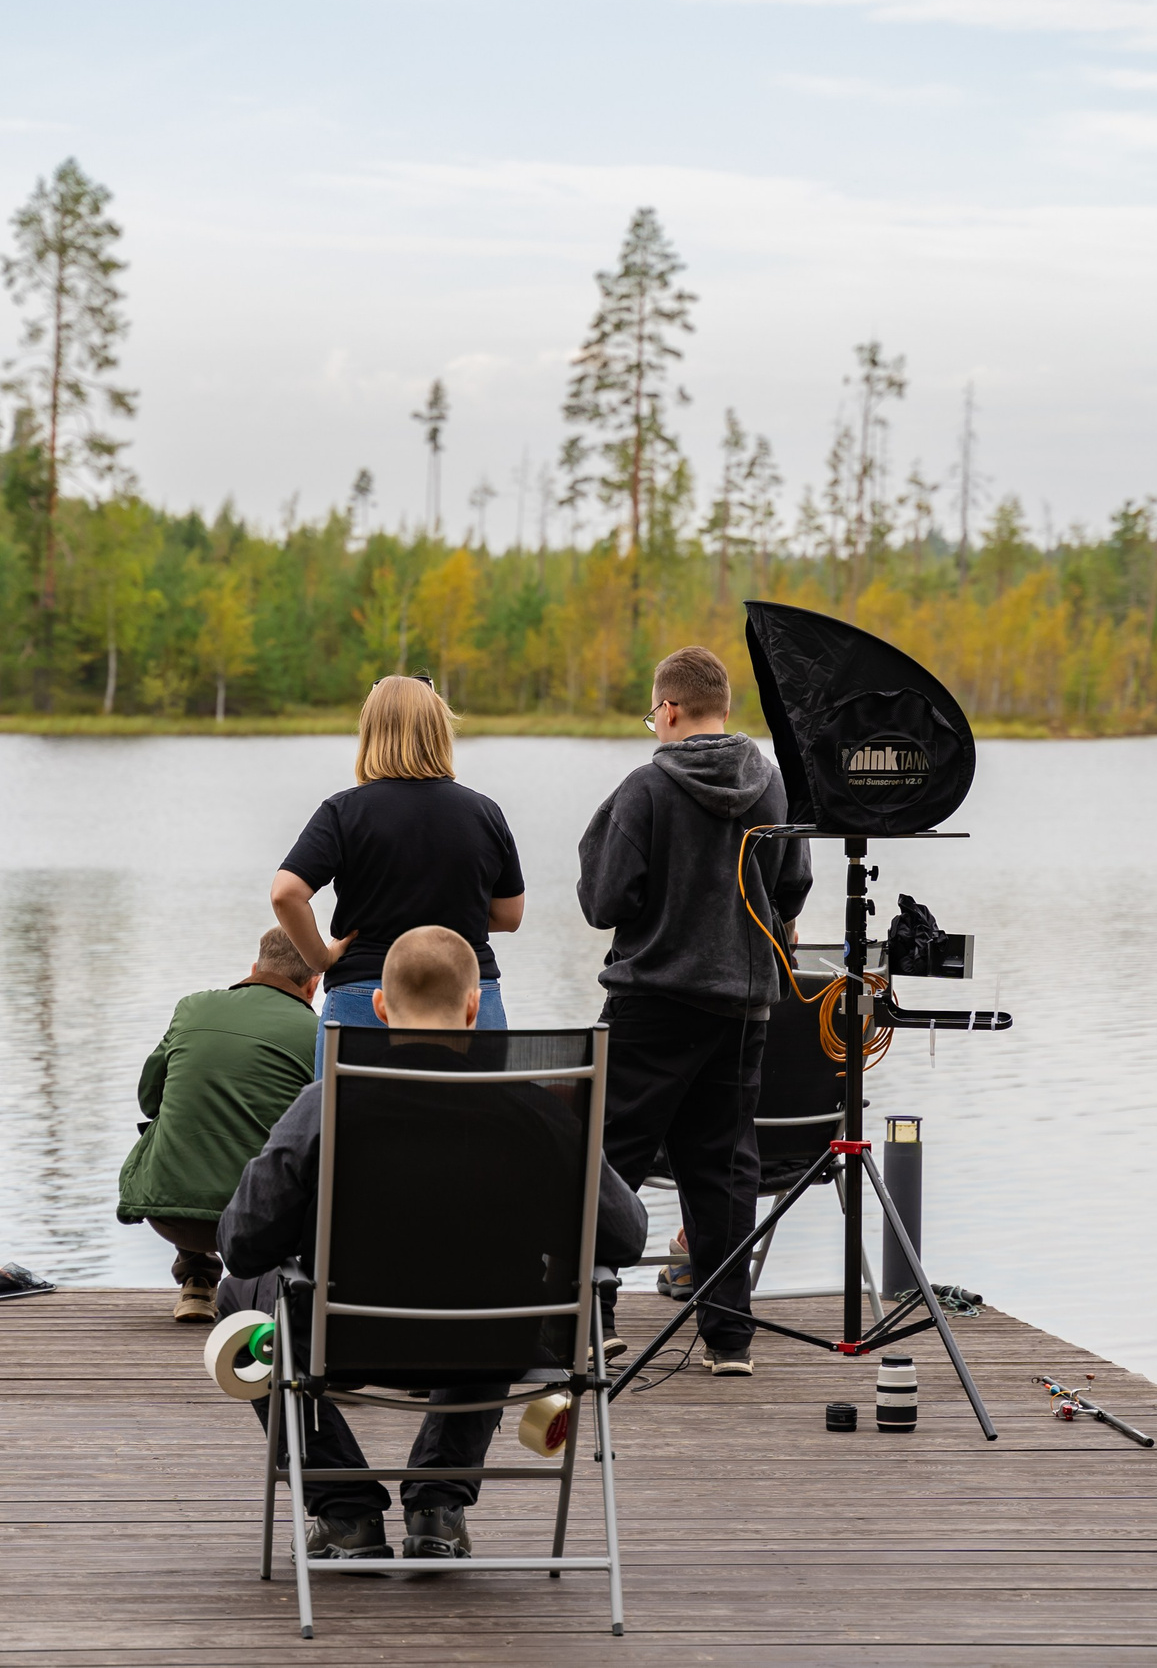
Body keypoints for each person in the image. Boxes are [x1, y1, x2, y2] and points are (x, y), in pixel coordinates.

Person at [215, 927, 647, 1564]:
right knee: (495, 1296)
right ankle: (437, 1505)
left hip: (346, 1340)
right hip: (498, 1342)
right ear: (474, 1008)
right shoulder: (541, 1112)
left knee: (237, 1299)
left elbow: (243, 1242)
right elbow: (626, 1236)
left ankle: (345, 1512)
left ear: (381, 1009)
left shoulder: (325, 1104)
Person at [577, 645, 812, 1378]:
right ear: (725, 708)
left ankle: (595, 1321)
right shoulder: (771, 784)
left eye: (654, 714)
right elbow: (794, 882)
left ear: (670, 709)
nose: (655, 725)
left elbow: (603, 901)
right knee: (724, 1164)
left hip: (652, 1000)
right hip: (743, 1004)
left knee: (605, 1154)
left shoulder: (646, 787)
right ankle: (729, 1337)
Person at [270, 675, 524, 1068]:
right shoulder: (484, 812)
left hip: (365, 997)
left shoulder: (343, 812)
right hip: (470, 998)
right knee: (477, 1125)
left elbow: (286, 893)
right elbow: (509, 916)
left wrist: (320, 959)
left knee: (351, 1127)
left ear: (371, 732)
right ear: (439, 730)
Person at [115, 929, 321, 1325]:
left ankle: (196, 1280)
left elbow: (149, 1099)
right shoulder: (317, 1032)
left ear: (255, 968)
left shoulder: (192, 1007)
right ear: (313, 986)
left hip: (169, 1213)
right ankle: (278, 1290)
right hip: (256, 1223)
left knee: (181, 1116)